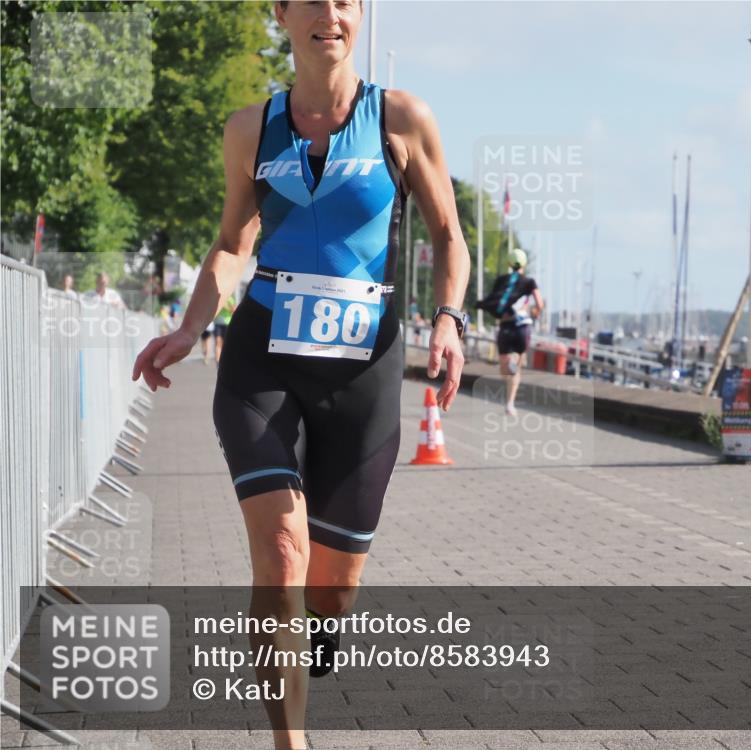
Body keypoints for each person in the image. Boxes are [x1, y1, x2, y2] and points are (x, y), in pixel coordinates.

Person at [131, 2, 469, 748]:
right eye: (309, 0)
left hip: (364, 373)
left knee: (332, 590)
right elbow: (231, 242)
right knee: (281, 550)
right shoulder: (251, 129)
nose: (329, 15)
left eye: (345, 0)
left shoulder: (400, 118)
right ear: (281, 13)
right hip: (265, 360)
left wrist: (448, 319)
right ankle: (292, 743)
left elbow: (449, 235)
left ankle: (318, 632)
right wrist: (192, 327)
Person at [475, 248, 544, 416]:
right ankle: (510, 404)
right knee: (517, 369)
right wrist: (534, 313)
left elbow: (493, 300)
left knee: (504, 369)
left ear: (508, 263)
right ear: (525, 264)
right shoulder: (529, 282)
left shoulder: (501, 280)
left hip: (505, 327)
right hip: (522, 327)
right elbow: (539, 303)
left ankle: (509, 365)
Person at [212, 294, 236, 363]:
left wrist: (226, 306)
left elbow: (234, 310)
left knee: (226, 343)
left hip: (227, 323)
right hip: (217, 323)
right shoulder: (216, 299)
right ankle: (218, 361)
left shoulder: (230, 298)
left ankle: (226, 359)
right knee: (218, 341)